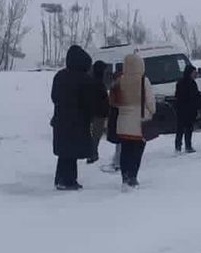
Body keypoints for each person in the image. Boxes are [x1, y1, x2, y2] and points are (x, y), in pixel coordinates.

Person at [51, 45, 108, 191]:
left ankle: (60, 179)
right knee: (72, 152)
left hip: (60, 120)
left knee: (64, 152)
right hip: (77, 121)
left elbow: (54, 97)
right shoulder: (84, 80)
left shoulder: (59, 76)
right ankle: (68, 181)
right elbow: (89, 102)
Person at [114, 53, 156, 188]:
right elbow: (150, 102)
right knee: (136, 151)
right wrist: (152, 111)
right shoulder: (144, 81)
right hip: (139, 123)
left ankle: (124, 177)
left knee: (125, 150)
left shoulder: (120, 80)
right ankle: (132, 176)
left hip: (123, 123)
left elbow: (113, 101)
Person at [175, 65, 201, 154]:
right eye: (194, 73)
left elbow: (196, 96)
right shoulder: (184, 83)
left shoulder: (190, 83)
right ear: (189, 73)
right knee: (181, 129)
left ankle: (186, 146)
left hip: (187, 110)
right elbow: (179, 97)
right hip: (184, 109)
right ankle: (180, 147)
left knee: (187, 129)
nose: (195, 74)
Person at [87, 60, 109, 164]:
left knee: (96, 135)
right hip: (98, 113)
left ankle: (92, 154)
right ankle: (92, 154)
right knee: (96, 135)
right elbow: (101, 99)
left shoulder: (93, 80)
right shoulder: (98, 83)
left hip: (96, 112)